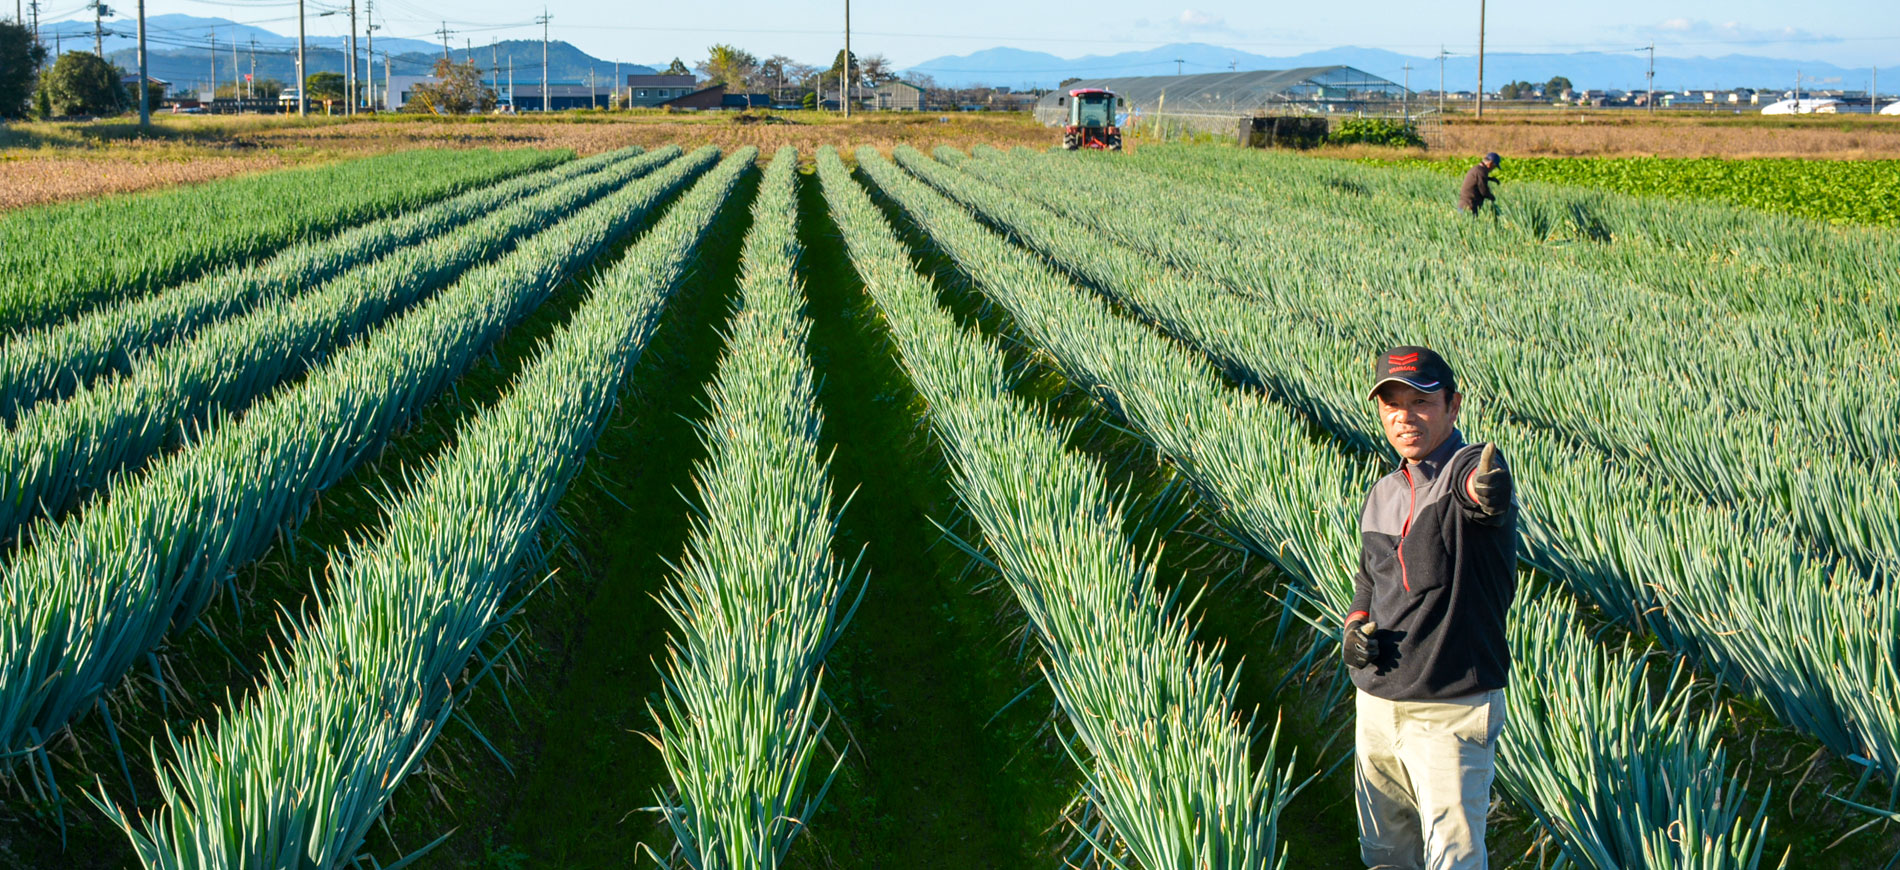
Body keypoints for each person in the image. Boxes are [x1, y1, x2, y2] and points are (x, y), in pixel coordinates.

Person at [1343, 345, 1518, 870]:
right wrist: (1354, 625)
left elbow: (1479, 490)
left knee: (1453, 860)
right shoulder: (1384, 493)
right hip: (1377, 708)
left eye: (1420, 401)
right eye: (1392, 403)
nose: (1404, 416)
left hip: (1448, 713)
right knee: (1386, 855)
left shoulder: (1462, 471)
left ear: (1452, 406)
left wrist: (1488, 491)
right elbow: (1368, 578)